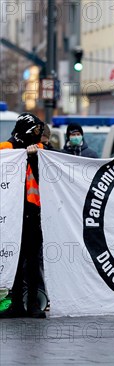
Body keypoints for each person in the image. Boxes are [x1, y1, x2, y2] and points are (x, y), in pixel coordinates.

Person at [0, 112, 47, 318]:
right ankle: (15, 303)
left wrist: (34, 157)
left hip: (33, 214)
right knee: (15, 261)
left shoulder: (41, 150)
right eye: (34, 132)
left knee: (33, 261)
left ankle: (33, 304)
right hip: (12, 214)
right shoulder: (6, 149)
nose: (37, 137)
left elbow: (49, 172)